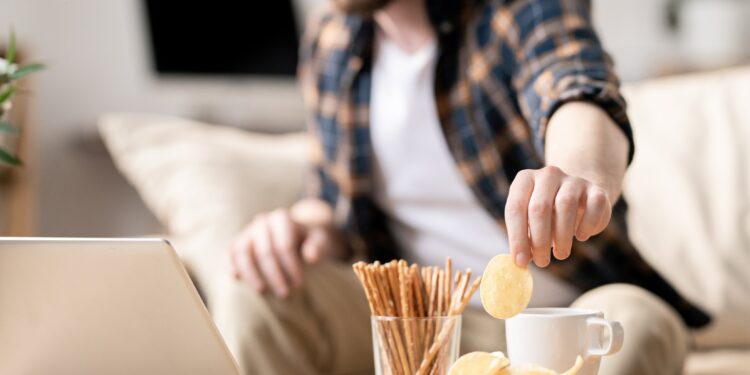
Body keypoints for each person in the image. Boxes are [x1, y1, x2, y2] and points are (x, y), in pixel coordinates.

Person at [214, 0, 710, 374]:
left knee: (637, 323)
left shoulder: (516, 10)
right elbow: (331, 204)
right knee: (256, 295)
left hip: (562, 311)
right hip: (418, 322)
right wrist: (301, 227)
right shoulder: (330, 42)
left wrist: (575, 172)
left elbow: (574, 85)